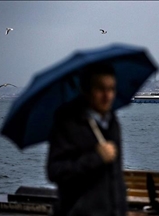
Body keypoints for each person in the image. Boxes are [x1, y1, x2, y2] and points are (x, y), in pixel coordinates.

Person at [46, 63, 127, 216]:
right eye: (100, 89)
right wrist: (96, 158)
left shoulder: (112, 123)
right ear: (86, 91)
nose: (107, 96)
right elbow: (55, 171)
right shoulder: (67, 123)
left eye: (111, 89)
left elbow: (116, 180)